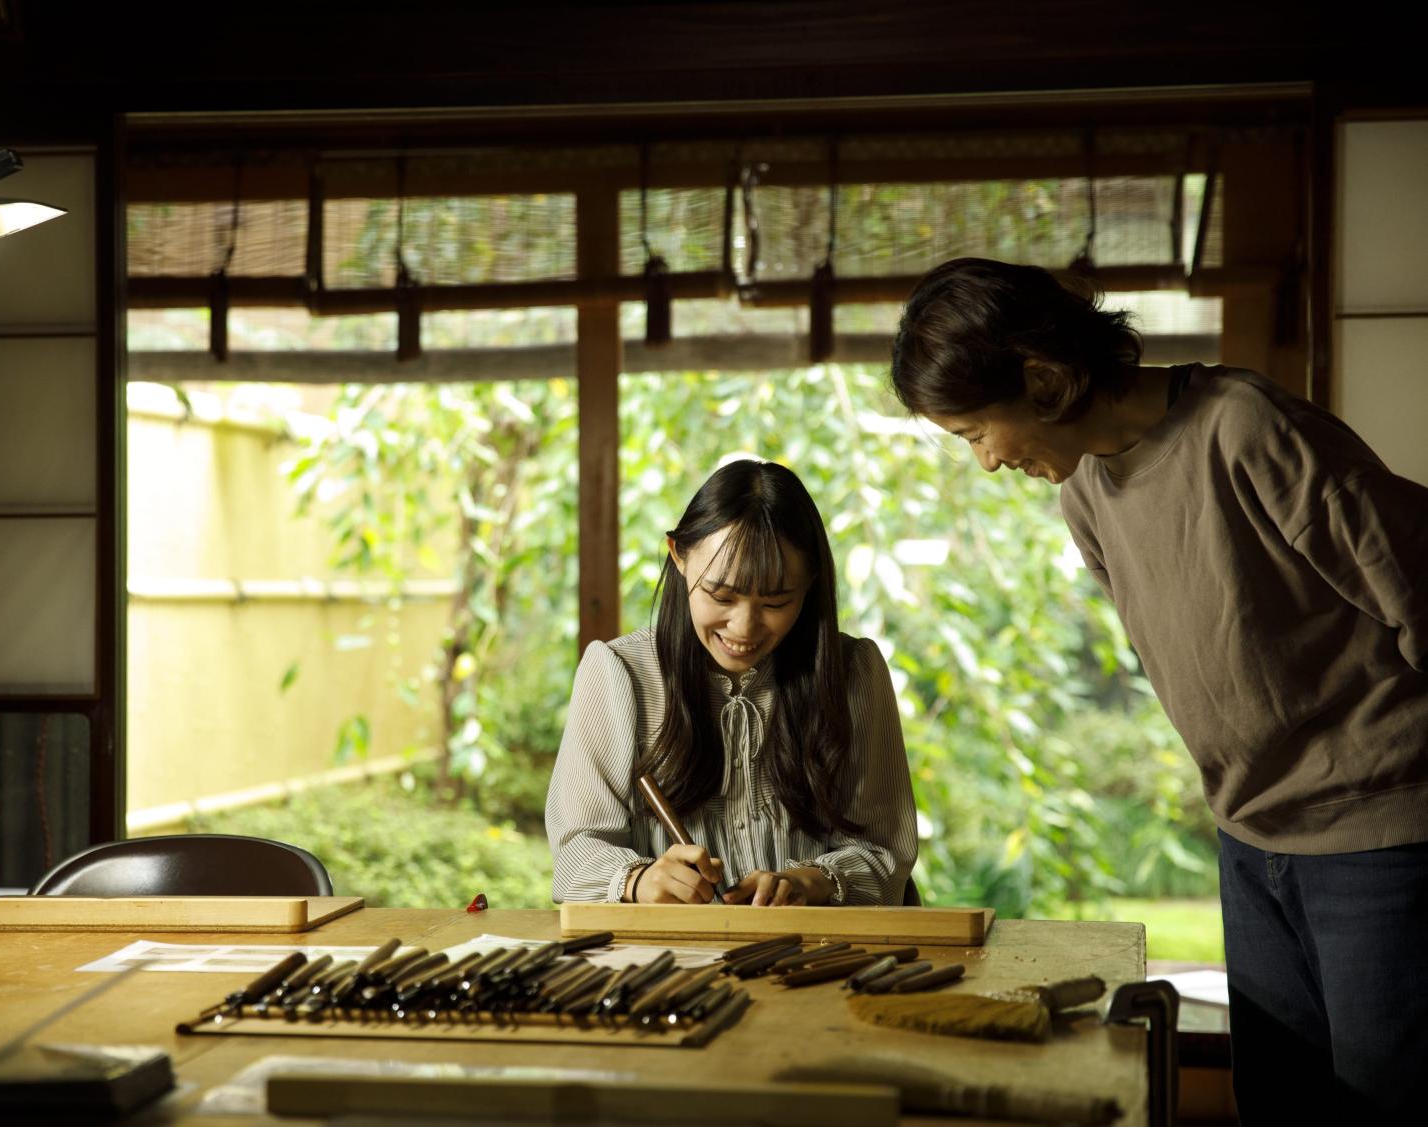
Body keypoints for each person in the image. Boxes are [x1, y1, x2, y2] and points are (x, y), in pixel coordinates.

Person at [890, 256, 1428, 1122]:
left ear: (1044, 379)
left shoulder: (1242, 426)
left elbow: (1414, 577)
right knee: (1278, 1102)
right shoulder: (1085, 494)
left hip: (1380, 835)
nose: (987, 462)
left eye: (975, 432)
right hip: (1248, 834)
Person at [545, 458, 918, 908]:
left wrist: (810, 882)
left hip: (816, 957)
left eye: (776, 601)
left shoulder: (853, 672)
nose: (744, 628)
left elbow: (886, 852)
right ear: (678, 556)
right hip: (670, 963)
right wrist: (640, 881)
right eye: (721, 596)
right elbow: (575, 853)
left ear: (811, 581)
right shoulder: (618, 671)